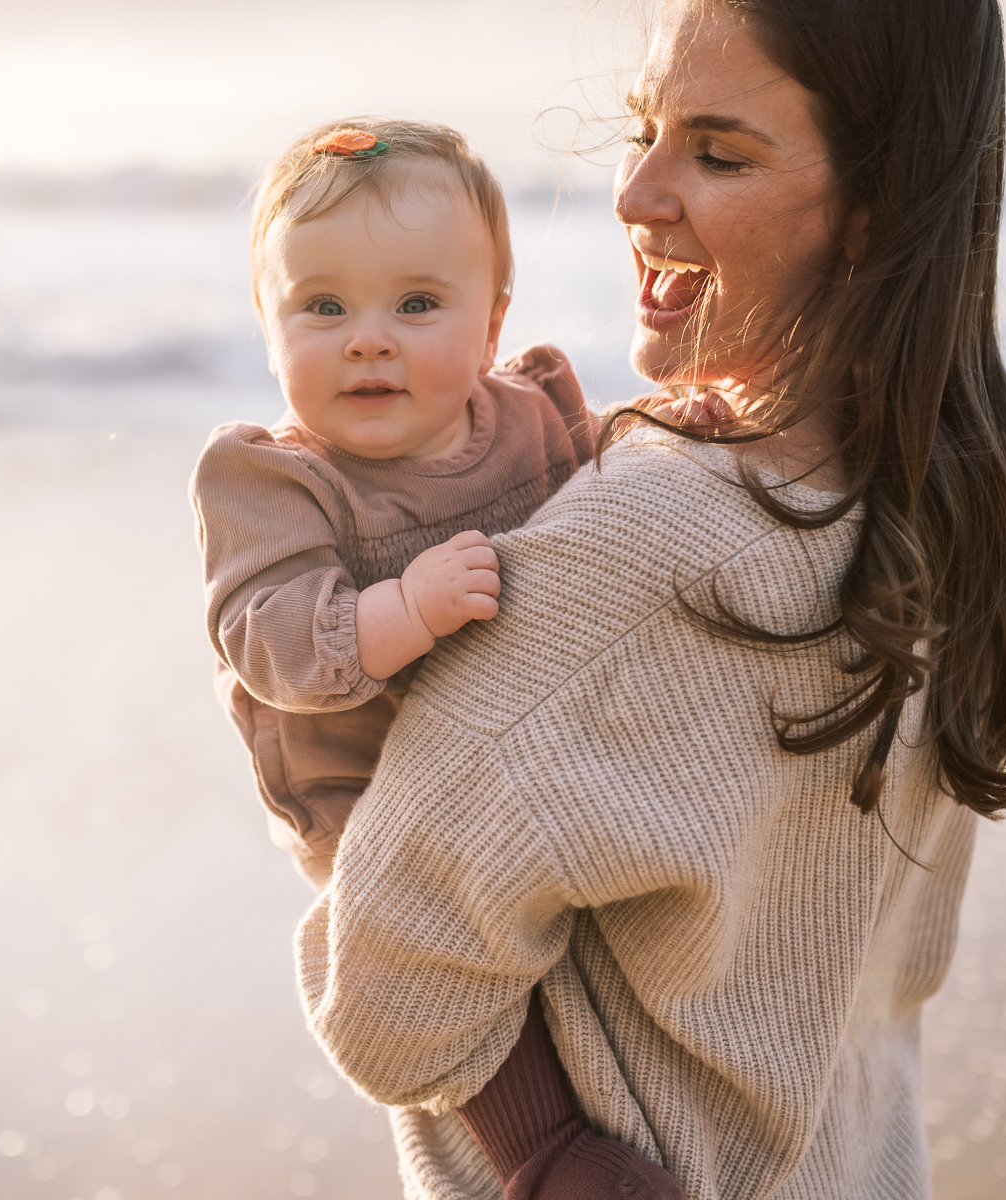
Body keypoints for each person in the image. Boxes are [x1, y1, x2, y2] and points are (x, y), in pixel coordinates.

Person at [294, 2, 1006, 1198]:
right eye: (644, 128)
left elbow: (384, 1000)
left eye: (718, 154)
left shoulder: (641, 549)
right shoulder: (953, 499)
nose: (632, 194)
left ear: (875, 215)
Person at [191, 120, 694, 1196]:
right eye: (320, 307)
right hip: (366, 792)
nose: (366, 339)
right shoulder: (273, 482)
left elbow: (624, 486)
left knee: (593, 928)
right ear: (266, 323)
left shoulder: (533, 411)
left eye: (416, 305)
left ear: (490, 322)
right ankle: (539, 1150)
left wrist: (678, 435)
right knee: (438, 974)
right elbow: (264, 634)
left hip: (541, 754)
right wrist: (394, 613)